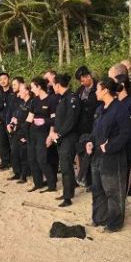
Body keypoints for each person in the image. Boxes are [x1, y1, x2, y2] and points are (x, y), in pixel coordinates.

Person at [86, 77, 131, 232]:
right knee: (97, 188)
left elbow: (126, 133)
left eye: (97, 90)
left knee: (113, 191)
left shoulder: (120, 108)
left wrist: (110, 146)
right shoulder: (100, 109)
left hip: (113, 156)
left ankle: (114, 223)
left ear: (105, 90)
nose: (95, 93)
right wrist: (90, 142)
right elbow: (95, 131)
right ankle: (99, 218)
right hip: (97, 156)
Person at [50, 73, 81, 207]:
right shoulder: (62, 98)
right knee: (64, 166)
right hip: (61, 137)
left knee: (67, 167)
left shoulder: (72, 98)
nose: (53, 87)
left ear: (57, 85)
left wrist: (60, 134)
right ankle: (67, 191)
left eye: (53, 85)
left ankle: (68, 197)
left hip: (69, 137)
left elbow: (71, 120)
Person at [26, 77, 58, 192]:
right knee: (32, 159)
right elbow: (29, 118)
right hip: (33, 132)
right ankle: (38, 183)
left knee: (42, 159)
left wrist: (50, 135)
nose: (31, 90)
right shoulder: (34, 100)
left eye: (33, 87)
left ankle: (52, 184)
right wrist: (23, 131)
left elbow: (54, 119)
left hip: (44, 133)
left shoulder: (51, 100)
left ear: (39, 87)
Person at [75, 66, 98, 187]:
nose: (82, 83)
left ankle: (95, 182)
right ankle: (87, 180)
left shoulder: (98, 88)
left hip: (94, 126)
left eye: (83, 80)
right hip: (82, 128)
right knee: (83, 154)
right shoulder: (80, 91)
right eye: (80, 81)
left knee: (93, 155)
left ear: (88, 76)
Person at [8, 81, 32, 184]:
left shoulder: (31, 103)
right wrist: (11, 123)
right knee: (14, 153)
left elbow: (30, 120)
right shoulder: (21, 102)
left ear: (27, 91)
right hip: (16, 131)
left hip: (25, 132)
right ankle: (17, 173)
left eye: (21, 91)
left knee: (23, 154)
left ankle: (24, 175)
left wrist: (24, 133)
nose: (19, 93)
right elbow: (15, 114)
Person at [0, 72, 13, 170]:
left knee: (12, 142)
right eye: (1, 79)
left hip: (11, 121)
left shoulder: (13, 91)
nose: (3, 81)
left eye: (5, 79)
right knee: (2, 142)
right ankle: (5, 162)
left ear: (8, 79)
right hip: (0, 121)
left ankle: (13, 162)